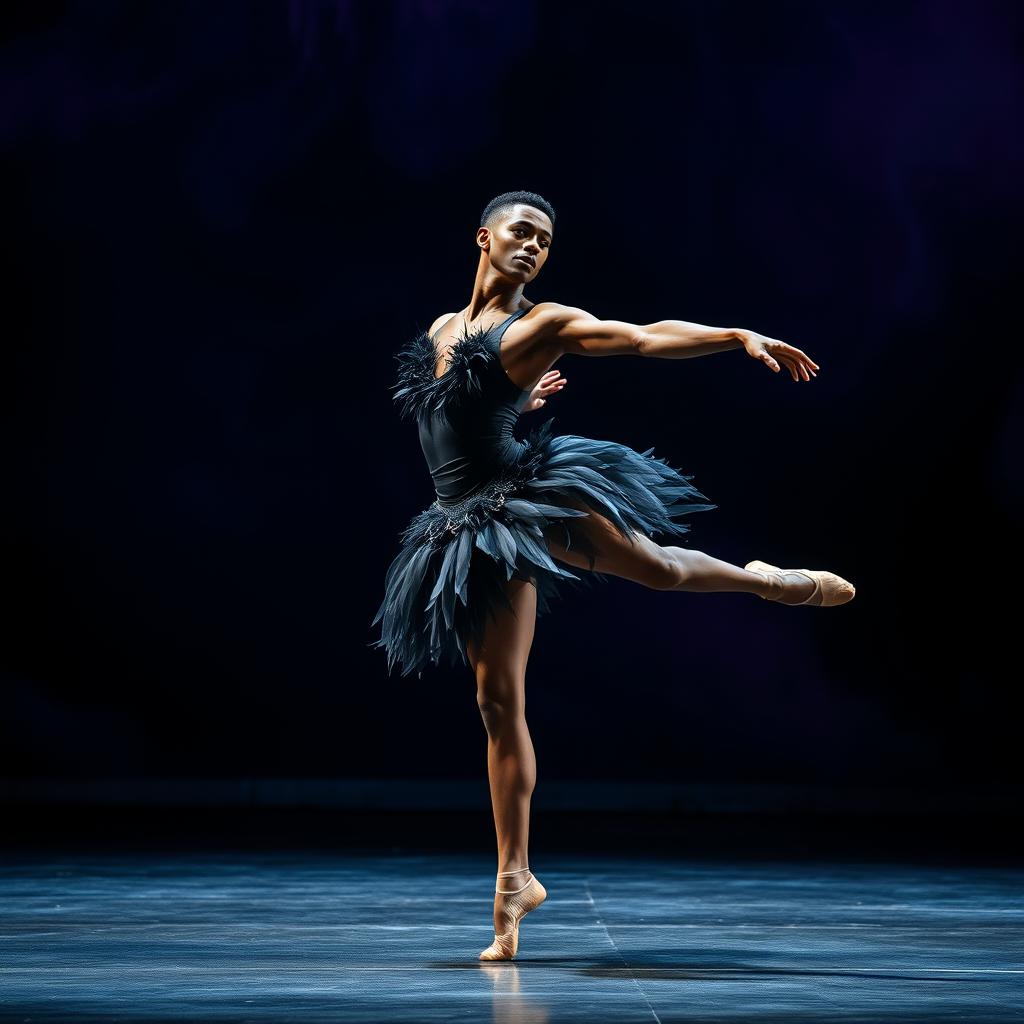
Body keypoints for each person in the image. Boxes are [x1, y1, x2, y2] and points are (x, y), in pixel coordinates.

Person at [369, 190, 855, 961]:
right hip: (461, 524)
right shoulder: (441, 330)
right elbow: (451, 422)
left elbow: (640, 338)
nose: (533, 247)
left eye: (546, 240)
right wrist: (514, 403)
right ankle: (513, 884)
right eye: (521, 233)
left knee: (658, 569)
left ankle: (767, 580)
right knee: (497, 702)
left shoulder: (545, 323)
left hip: (523, 501)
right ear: (484, 237)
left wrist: (735, 335)